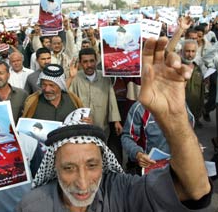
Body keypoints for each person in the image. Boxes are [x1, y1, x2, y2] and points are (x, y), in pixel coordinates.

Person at [16, 37, 212, 212]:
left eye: (92, 165)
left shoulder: (121, 192)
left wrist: (175, 119)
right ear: (54, 167)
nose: (83, 184)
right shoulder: (32, 205)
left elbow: (195, 191)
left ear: (104, 162)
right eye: (68, 168)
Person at [121, 100, 195, 171]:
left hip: (177, 162)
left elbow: (189, 127)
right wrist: (138, 154)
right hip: (150, 165)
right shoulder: (140, 108)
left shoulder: (180, 104)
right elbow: (127, 137)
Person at [69, 48, 122, 141]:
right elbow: (69, 98)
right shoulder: (75, 78)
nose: (89, 65)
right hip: (81, 126)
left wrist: (116, 121)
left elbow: (111, 99)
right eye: (85, 62)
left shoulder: (105, 78)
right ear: (80, 63)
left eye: (91, 61)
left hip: (101, 125)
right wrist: (70, 78)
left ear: (96, 61)